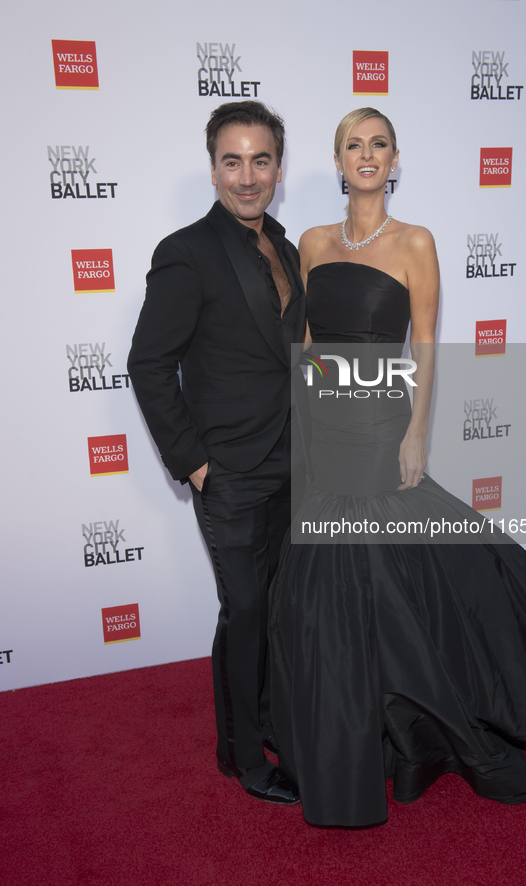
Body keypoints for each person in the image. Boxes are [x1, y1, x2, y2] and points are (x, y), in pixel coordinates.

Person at [268, 108, 526, 827]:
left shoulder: (416, 242)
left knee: (399, 568)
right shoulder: (313, 243)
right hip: (328, 425)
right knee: (341, 578)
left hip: (384, 424)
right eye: (352, 145)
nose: (365, 155)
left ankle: (422, 723)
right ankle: (373, 724)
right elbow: (313, 345)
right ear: (337, 159)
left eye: (377, 144)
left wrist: (416, 432)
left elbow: (424, 344)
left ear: (394, 159)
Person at [128, 101, 306, 806]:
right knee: (245, 608)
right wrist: (196, 464)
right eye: (231, 161)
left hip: (293, 462)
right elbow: (148, 363)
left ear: (278, 169)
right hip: (229, 470)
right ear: (212, 168)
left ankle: (262, 723)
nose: (246, 176)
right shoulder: (185, 252)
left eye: (259, 160)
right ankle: (241, 759)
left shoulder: (287, 248)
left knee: (273, 608)